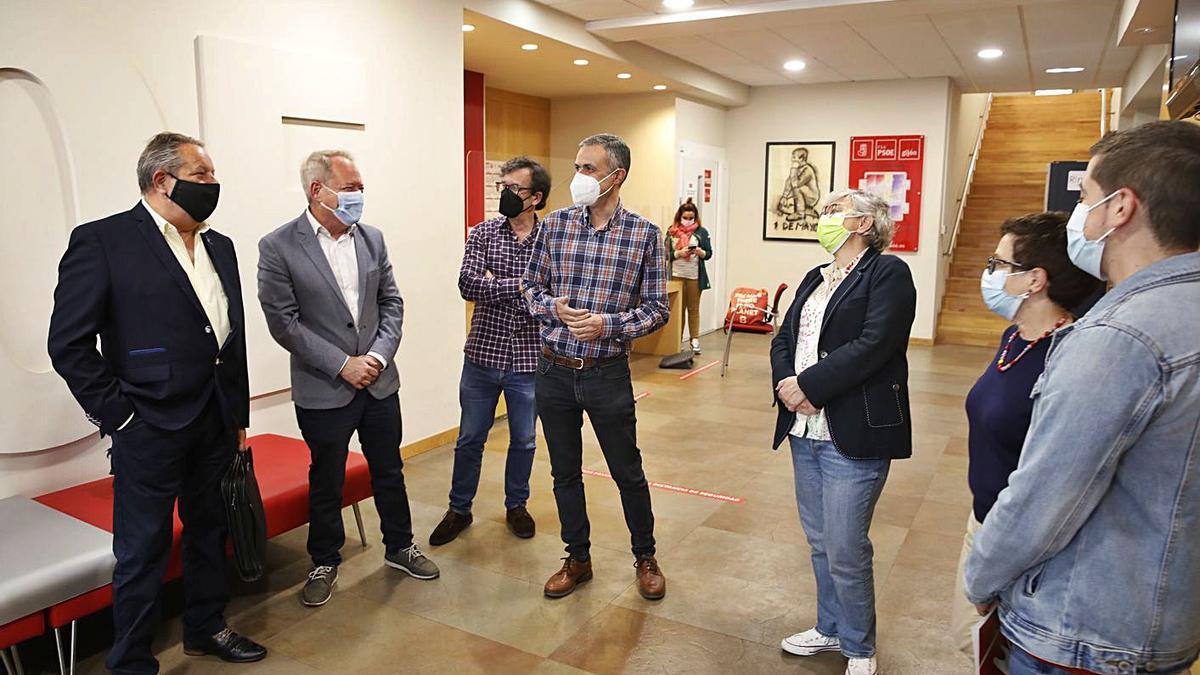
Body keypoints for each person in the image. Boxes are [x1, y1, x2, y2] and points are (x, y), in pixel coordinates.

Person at [964, 120, 1200, 675]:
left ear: (1120, 208)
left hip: (1083, 630)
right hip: (1161, 616)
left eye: (1086, 197)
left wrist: (982, 573)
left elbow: (1047, 495)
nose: (1080, 215)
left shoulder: (1117, 337)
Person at [48, 132, 266, 673]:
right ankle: (132, 661)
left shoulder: (221, 245)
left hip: (213, 419)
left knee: (208, 529)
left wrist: (236, 417)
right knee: (142, 550)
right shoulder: (103, 241)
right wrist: (120, 415)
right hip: (146, 424)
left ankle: (206, 626)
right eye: (203, 175)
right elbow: (69, 344)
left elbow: (228, 339)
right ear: (162, 179)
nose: (214, 185)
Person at [257, 150, 438, 609]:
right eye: (351, 187)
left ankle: (400, 546)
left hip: (378, 381)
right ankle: (324, 559)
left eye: (360, 186)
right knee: (327, 477)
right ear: (319, 190)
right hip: (324, 387)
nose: (359, 194)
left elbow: (391, 303)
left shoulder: (372, 239)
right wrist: (343, 364)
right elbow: (285, 322)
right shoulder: (278, 246)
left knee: (389, 469)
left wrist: (375, 356)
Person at [770, 189, 916, 675]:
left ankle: (859, 645)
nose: (823, 218)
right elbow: (786, 337)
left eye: (833, 212)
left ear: (864, 224)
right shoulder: (816, 276)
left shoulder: (888, 273)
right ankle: (829, 626)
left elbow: (876, 344)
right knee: (819, 540)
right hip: (804, 428)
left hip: (852, 428)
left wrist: (811, 386)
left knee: (847, 545)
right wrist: (787, 387)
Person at [522, 133, 669, 601]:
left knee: (628, 471)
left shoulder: (644, 235)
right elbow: (531, 288)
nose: (578, 177)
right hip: (554, 371)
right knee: (564, 472)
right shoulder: (556, 225)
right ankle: (577, 558)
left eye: (588, 168)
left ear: (616, 176)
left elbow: (656, 309)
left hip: (607, 373)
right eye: (578, 166)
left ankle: (645, 556)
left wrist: (608, 324)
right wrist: (553, 310)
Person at [949, 212, 1102, 651]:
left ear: (1035, 279)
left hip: (1024, 542)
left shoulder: (1068, 357)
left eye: (999, 264)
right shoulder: (1015, 338)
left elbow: (1054, 480)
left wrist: (994, 565)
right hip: (984, 518)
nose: (989, 273)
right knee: (970, 644)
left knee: (1001, 649)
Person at [429, 156, 550, 546]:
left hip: (529, 359)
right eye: (503, 188)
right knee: (469, 439)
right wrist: (519, 286)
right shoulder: (483, 234)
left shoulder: (552, 240)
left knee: (524, 440)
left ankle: (517, 504)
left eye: (515, 189)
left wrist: (497, 282)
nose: (506, 195)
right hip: (482, 357)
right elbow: (467, 284)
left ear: (536, 197)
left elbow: (551, 296)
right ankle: (459, 509)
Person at [665, 199, 713, 354]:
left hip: (694, 276)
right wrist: (678, 253)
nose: (687, 221)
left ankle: (694, 339)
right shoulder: (671, 232)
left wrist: (700, 252)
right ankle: (676, 340)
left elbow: (709, 253)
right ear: (679, 217)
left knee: (693, 308)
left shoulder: (701, 232)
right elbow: (665, 254)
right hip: (676, 275)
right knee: (677, 310)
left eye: (690, 218)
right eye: (685, 218)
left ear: (695, 217)